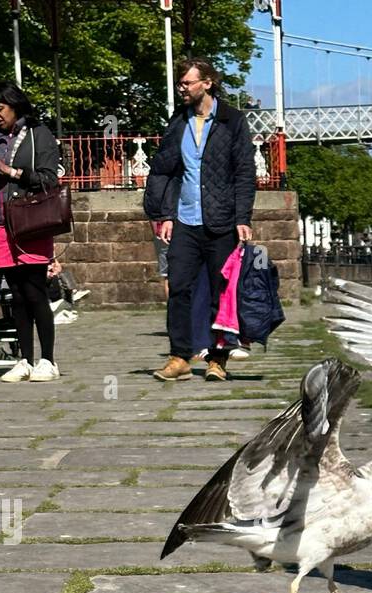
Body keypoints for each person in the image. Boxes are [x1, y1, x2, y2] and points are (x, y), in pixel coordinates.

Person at [143, 57, 255, 383]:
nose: (182, 89)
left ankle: (217, 360)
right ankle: (179, 356)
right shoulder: (178, 121)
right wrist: (163, 214)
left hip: (221, 220)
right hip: (185, 220)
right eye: (180, 83)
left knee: (221, 291)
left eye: (187, 83)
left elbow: (244, 172)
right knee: (178, 287)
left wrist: (242, 217)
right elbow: (163, 169)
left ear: (207, 83)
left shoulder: (232, 121)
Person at [0, 80, 62, 382]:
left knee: (35, 291)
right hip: (2, 223)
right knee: (16, 295)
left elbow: (49, 179)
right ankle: (25, 358)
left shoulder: (39, 135)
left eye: (0, 109)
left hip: (31, 222)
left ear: (15, 105)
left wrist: (10, 171)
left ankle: (48, 360)